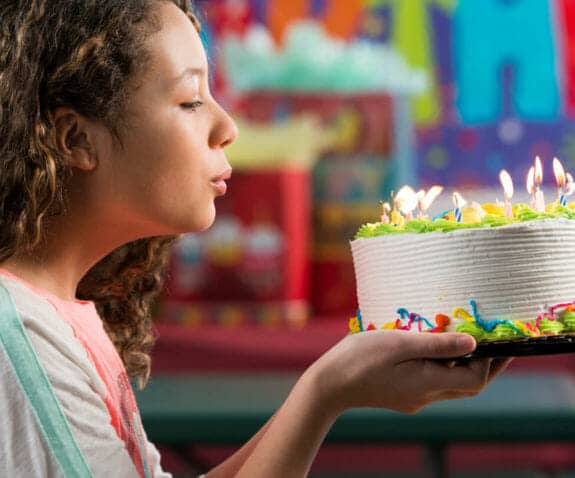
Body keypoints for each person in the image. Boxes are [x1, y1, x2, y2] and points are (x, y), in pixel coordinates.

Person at [0, 1, 511, 476]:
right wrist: (325, 389)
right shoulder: (21, 337)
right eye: (191, 100)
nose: (228, 126)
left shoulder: (49, 315)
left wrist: (327, 392)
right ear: (76, 140)